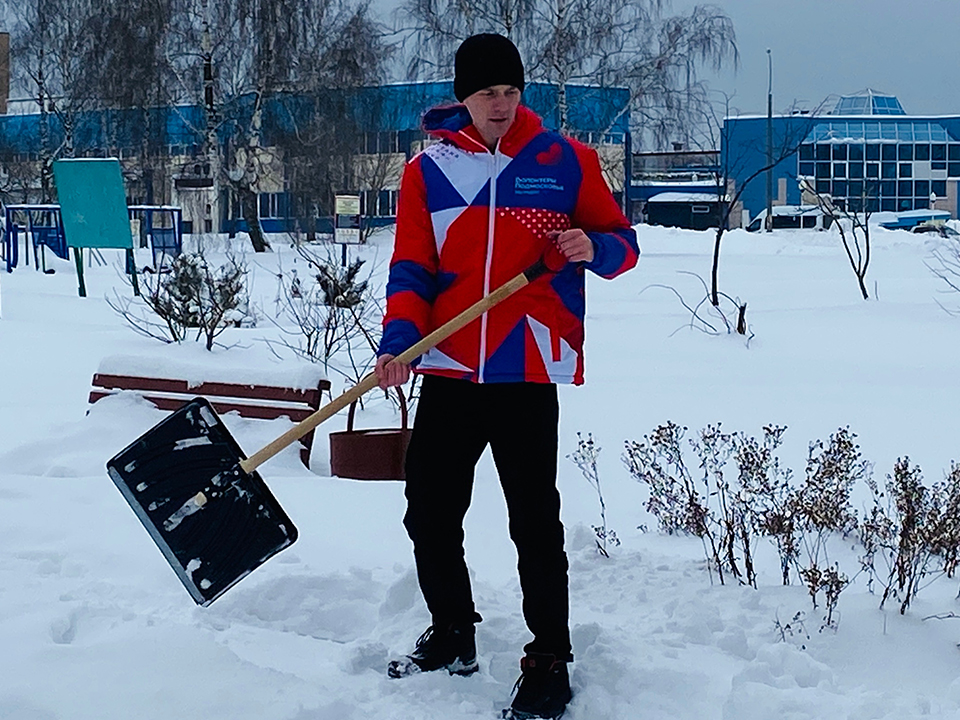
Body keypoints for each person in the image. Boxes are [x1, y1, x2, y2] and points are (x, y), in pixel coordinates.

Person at [374, 33, 639, 720]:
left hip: (527, 365)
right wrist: (400, 343)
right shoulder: (428, 170)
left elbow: (624, 246)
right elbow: (412, 268)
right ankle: (452, 631)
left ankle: (549, 657)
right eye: (488, 92)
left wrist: (593, 245)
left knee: (535, 522)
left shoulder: (565, 161)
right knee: (429, 509)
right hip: (450, 365)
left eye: (511, 91)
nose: (500, 104)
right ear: (463, 97)